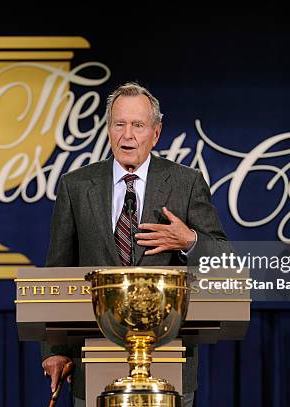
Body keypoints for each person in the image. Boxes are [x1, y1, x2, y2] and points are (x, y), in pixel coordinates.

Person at [42, 82, 230, 406]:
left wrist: (189, 241)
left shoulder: (186, 183)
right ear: (108, 129)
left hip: (169, 358)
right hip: (94, 356)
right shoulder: (76, 186)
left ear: (155, 134)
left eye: (138, 125)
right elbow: (58, 269)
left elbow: (223, 257)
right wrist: (56, 349)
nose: (127, 135)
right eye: (119, 124)